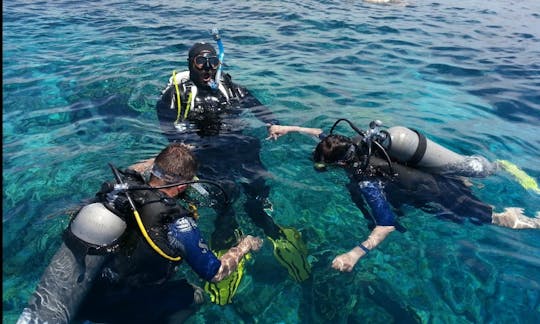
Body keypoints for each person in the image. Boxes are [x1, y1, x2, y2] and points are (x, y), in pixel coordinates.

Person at [17, 143, 263, 324]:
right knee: (195, 295)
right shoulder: (177, 223)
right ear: (182, 186)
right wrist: (244, 246)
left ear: (154, 171)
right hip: (123, 303)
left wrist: (161, 159)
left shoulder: (120, 193)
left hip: (85, 296)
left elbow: (137, 170)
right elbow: (215, 273)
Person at [154, 30, 311, 300]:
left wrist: (272, 122)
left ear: (219, 63)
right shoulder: (177, 95)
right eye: (200, 63)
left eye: (212, 62)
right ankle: (226, 236)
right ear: (190, 63)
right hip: (208, 153)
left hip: (240, 146)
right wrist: (185, 145)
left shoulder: (229, 87)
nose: (207, 69)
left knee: (258, 183)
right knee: (226, 194)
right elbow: (168, 125)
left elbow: (255, 104)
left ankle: (267, 222)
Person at [267, 121, 540, 273]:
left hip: (435, 192)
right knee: (477, 201)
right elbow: (320, 133)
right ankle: (501, 174)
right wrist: (289, 128)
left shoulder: (366, 180)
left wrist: (355, 253)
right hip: (430, 177)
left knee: (491, 217)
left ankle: (529, 221)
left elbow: (385, 224)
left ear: (340, 164)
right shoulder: (356, 142)